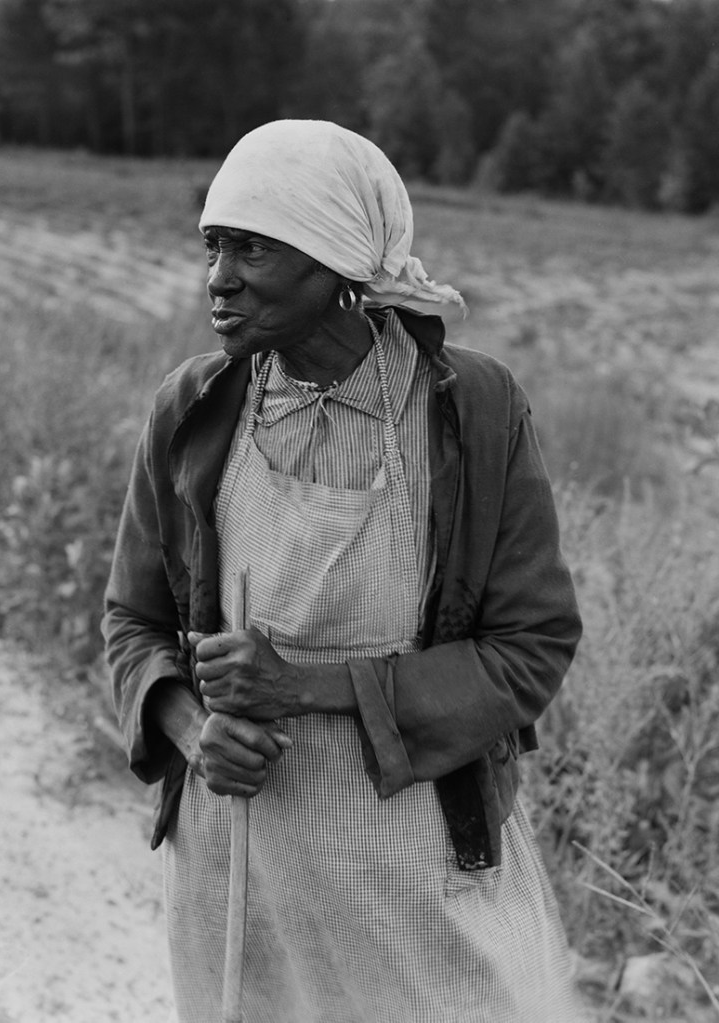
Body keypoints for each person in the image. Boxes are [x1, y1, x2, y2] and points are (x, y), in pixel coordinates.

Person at [103, 119, 583, 1023]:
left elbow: (532, 648)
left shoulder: (470, 410)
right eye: (213, 246)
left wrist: (301, 686)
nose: (218, 278)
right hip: (241, 866)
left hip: (418, 872)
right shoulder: (192, 408)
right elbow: (134, 621)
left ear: (334, 264)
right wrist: (193, 730)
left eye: (253, 249)